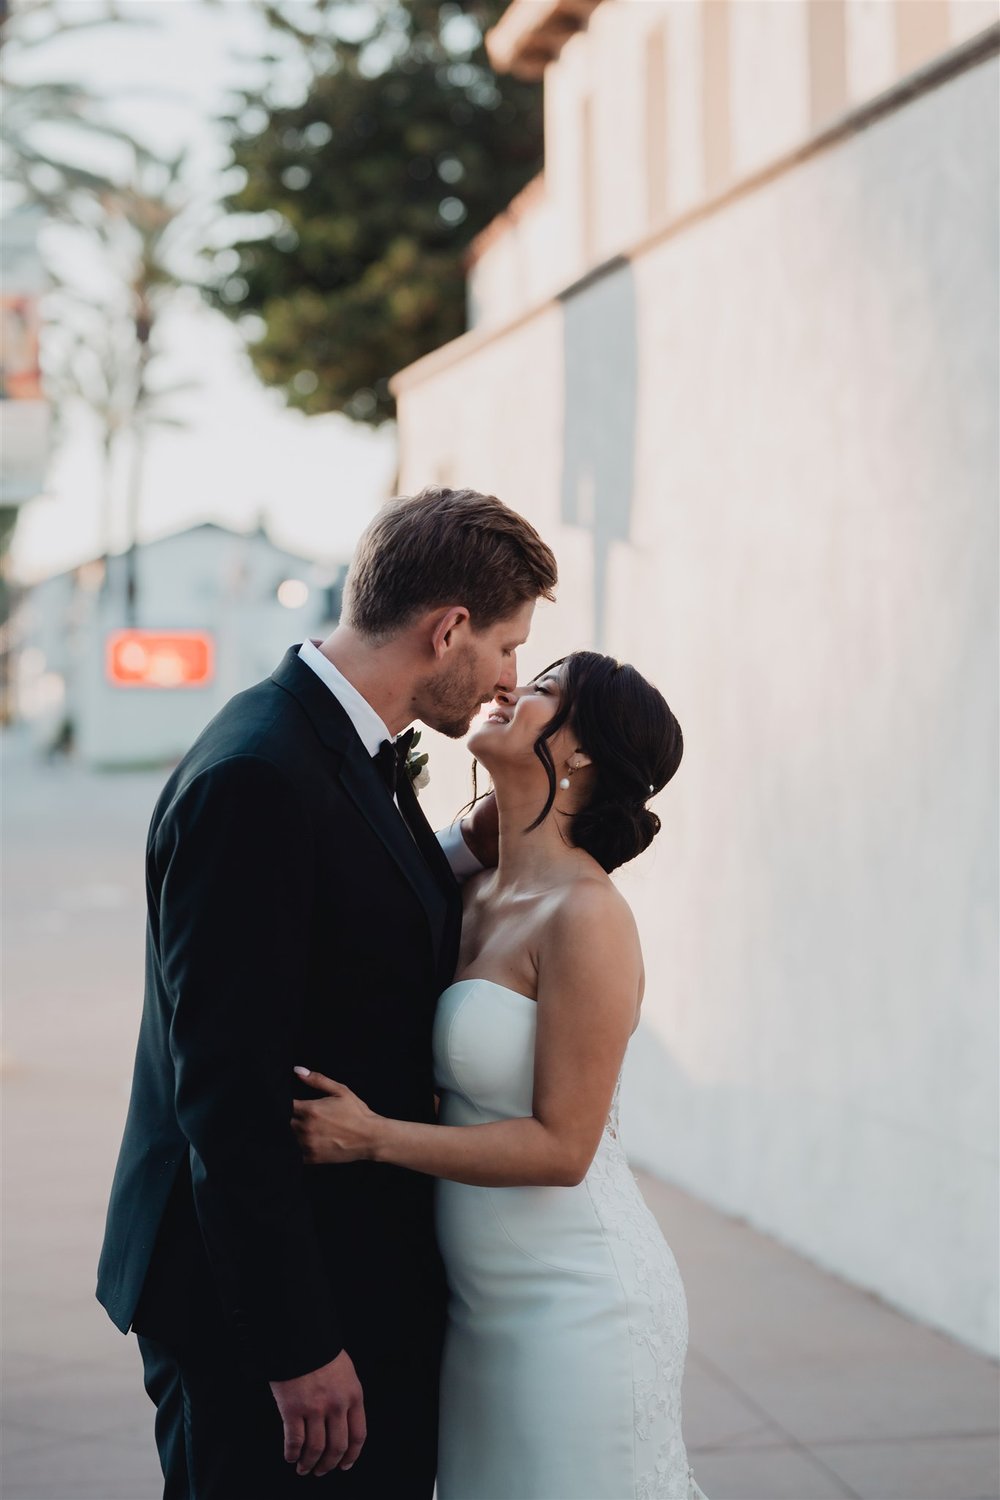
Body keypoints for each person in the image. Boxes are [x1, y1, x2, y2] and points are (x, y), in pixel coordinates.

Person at [96, 485, 558, 1499]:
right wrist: (295, 1349)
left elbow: (340, 914)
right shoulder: (260, 775)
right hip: (259, 1307)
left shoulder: (324, 745)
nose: (507, 679)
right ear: (448, 630)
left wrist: (467, 850)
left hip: (348, 1263)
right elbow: (224, 1090)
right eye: (505, 647)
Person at [292, 650, 708, 1500]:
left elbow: (564, 1149)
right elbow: (377, 889)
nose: (512, 687)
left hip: (576, 1306)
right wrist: (488, 830)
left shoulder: (587, 916)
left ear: (583, 752)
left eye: (545, 689)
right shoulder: (479, 890)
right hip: (479, 1314)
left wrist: (373, 1138)